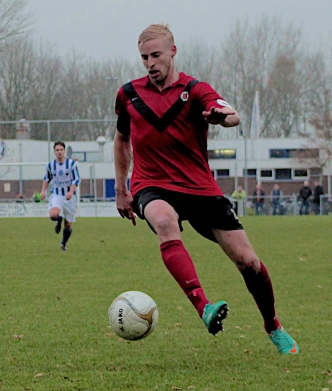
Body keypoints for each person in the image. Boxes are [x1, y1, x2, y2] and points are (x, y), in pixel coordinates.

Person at [113, 24, 298, 354]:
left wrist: (219, 116)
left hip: (199, 187)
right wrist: (121, 189)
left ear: (173, 52)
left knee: (249, 262)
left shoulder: (195, 89)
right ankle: (204, 307)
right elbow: (121, 139)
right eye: (144, 57)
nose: (150, 63)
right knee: (165, 222)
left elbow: (232, 115)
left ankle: (273, 326)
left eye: (156, 55)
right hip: (151, 184)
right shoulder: (128, 94)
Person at [40, 141, 81, 251]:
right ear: (54, 152)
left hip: (69, 197)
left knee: (68, 225)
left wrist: (71, 192)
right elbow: (47, 178)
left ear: (64, 151)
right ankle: (59, 219)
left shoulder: (71, 164)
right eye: (57, 150)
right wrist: (43, 191)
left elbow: (76, 179)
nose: (59, 152)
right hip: (57, 195)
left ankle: (63, 243)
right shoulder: (50, 165)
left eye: (61, 150)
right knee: (53, 215)